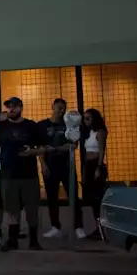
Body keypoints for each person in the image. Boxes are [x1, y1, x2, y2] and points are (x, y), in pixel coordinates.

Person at [0, 97, 46, 250]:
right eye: (8, 107)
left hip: (29, 175)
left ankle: (34, 240)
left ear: (21, 107)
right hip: (8, 175)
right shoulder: (0, 127)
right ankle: (12, 239)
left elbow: (42, 148)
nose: (11, 109)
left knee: (31, 208)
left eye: (14, 106)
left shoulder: (31, 126)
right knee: (11, 209)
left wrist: (31, 152)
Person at [39, 98, 80, 239]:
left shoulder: (69, 125)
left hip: (67, 166)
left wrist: (55, 149)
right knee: (52, 198)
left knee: (73, 196)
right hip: (50, 167)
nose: (61, 111)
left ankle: (78, 226)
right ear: (53, 107)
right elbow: (40, 147)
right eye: (59, 108)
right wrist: (43, 164)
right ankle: (55, 226)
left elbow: (73, 145)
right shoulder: (43, 125)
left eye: (63, 108)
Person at [80, 108, 109, 241]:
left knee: (97, 198)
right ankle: (98, 226)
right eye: (84, 118)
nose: (86, 121)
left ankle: (102, 227)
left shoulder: (100, 132)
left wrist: (98, 167)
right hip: (88, 165)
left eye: (88, 118)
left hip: (96, 165)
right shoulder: (89, 132)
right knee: (91, 198)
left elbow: (102, 151)